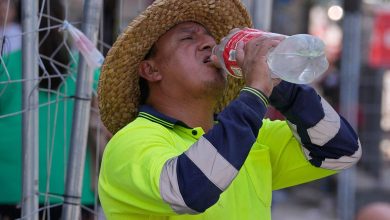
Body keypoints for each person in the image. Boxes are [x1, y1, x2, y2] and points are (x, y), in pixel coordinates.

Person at [97, 0, 362, 219]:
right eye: (188, 38)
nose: (208, 44)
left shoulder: (250, 135)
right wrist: (256, 90)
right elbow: (189, 189)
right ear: (151, 70)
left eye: (210, 38)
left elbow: (341, 152)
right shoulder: (131, 142)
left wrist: (282, 85)